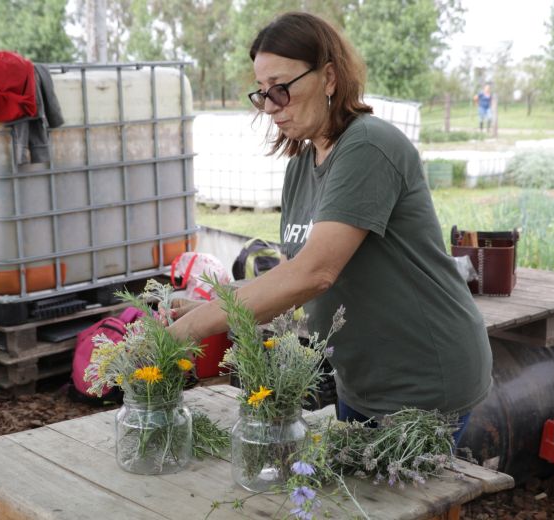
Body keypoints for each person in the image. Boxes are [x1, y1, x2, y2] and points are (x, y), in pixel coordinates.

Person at [168, 12, 492, 442]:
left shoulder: (368, 146)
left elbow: (315, 273)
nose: (269, 106)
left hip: (422, 379)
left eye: (281, 88)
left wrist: (183, 333)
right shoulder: (300, 168)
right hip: (360, 378)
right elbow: (289, 283)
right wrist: (208, 311)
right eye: (262, 93)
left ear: (329, 78)